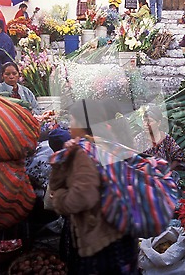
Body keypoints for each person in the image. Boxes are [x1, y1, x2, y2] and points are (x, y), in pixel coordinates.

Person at [49, 99, 139, 274]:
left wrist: (59, 199)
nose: (69, 126)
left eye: (73, 120)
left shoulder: (82, 152)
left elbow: (82, 197)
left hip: (99, 239)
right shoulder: (110, 143)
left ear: (83, 123)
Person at [134, 106, 184, 170]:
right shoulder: (139, 139)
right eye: (144, 121)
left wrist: (168, 170)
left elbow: (178, 156)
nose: (146, 124)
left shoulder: (166, 139)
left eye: (150, 121)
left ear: (158, 123)